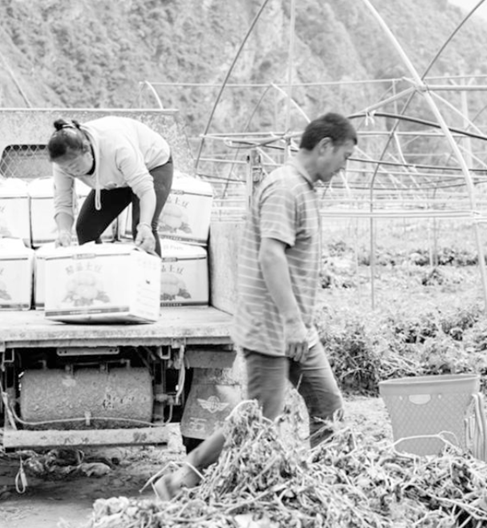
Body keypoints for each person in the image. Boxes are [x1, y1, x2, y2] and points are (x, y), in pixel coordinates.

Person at [153, 112, 358, 500]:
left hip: (295, 328)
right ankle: (181, 479)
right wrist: (294, 322)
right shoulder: (285, 189)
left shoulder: (303, 188)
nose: (344, 166)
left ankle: (332, 487)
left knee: (328, 406)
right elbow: (270, 257)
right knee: (257, 419)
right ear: (325, 146)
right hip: (273, 326)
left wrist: (300, 325)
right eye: (345, 156)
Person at [47, 116, 173, 256]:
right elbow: (63, 202)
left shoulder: (116, 146)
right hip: (117, 176)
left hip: (153, 164)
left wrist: (145, 226)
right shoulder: (62, 163)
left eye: (74, 166)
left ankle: (151, 276)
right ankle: (100, 274)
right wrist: (64, 231)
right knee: (86, 228)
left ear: (87, 150)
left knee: (141, 229)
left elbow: (145, 190)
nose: (70, 171)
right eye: (65, 169)